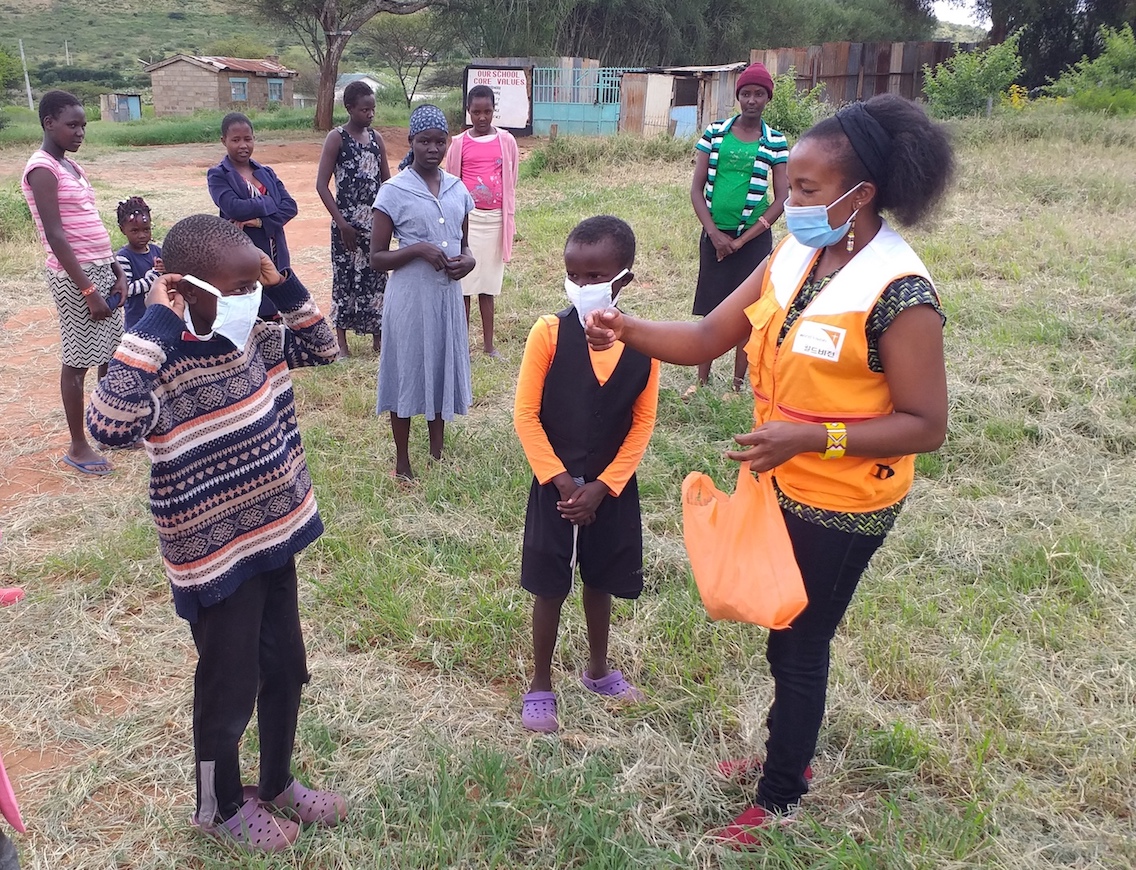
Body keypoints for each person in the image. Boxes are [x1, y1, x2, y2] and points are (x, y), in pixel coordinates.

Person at [586, 93, 953, 843]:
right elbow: (706, 335)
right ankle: (786, 751)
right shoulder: (794, 254)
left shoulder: (901, 292)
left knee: (800, 641)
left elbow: (927, 424)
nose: (790, 203)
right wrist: (628, 328)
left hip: (848, 500)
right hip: (781, 479)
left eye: (808, 192)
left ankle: (781, 794)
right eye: (792, 189)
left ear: (863, 195)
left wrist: (814, 438)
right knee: (782, 628)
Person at [86, 215, 344, 853]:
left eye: (252, 283)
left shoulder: (257, 336)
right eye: (235, 288)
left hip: (273, 534)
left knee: (285, 669)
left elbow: (325, 346)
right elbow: (110, 424)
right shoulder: (160, 362)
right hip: (212, 556)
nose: (248, 298)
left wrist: (278, 282)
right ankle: (217, 804)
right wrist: (155, 322)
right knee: (227, 688)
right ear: (183, 289)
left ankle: (278, 782)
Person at [514, 216, 660, 733]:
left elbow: (643, 422)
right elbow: (526, 415)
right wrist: (561, 480)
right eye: (572, 274)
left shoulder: (645, 343)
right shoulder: (549, 333)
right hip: (555, 488)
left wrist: (604, 486)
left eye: (595, 276)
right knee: (550, 584)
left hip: (609, 489)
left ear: (624, 279)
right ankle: (540, 683)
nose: (581, 286)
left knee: (600, 579)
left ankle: (598, 670)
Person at [20, 90, 128, 477]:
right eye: (72, 125)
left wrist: (116, 270)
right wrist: (88, 289)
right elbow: (56, 235)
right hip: (74, 277)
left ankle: (107, 428)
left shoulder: (71, 167)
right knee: (78, 360)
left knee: (111, 353)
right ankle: (78, 446)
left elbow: (92, 224)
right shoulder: (42, 169)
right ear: (49, 123)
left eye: (83, 125)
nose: (81, 132)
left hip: (100, 269)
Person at [371, 105, 475, 481]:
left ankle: (437, 450)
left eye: (439, 141)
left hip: (446, 296)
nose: (432, 148)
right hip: (410, 299)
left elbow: (466, 244)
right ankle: (403, 460)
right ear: (410, 143)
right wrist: (416, 250)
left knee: (439, 365)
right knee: (407, 370)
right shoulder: (393, 191)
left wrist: (469, 261)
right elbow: (377, 258)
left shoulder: (456, 188)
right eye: (423, 141)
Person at [690, 62, 788, 394]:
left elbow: (782, 198)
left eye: (759, 94)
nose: (751, 100)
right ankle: (702, 381)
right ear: (738, 97)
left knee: (748, 312)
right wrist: (715, 235)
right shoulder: (715, 133)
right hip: (713, 237)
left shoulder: (775, 141)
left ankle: (736, 384)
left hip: (754, 243)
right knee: (712, 308)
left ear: (767, 98)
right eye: (745, 93)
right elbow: (696, 190)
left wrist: (743, 240)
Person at [315, 81, 391, 358]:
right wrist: (342, 223)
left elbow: (386, 182)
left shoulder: (376, 140)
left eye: (372, 109)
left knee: (375, 278)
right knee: (345, 278)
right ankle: (342, 344)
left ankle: (378, 338)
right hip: (345, 226)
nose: (370, 114)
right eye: (364, 109)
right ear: (349, 108)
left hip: (375, 225)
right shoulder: (337, 138)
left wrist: (388, 219)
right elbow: (322, 185)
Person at [444, 84, 519, 359]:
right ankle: (461, 346)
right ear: (468, 112)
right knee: (465, 286)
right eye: (476, 112)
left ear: (494, 110)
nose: (482, 117)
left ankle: (489, 346)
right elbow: (451, 182)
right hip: (468, 222)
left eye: (487, 111)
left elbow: (512, 177)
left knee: (488, 286)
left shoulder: (507, 141)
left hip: (496, 221)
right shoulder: (459, 143)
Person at [207, 112, 298, 319]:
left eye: (247, 139)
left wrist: (259, 221)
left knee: (280, 306)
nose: (243, 145)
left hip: (276, 250)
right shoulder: (218, 175)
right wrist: (268, 202)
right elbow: (233, 208)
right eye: (236, 140)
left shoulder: (266, 173)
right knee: (251, 310)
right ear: (224, 141)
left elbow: (290, 207)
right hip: (241, 253)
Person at [115, 196, 163, 330]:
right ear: (122, 229)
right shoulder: (123, 257)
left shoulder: (157, 251)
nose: (142, 235)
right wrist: (154, 277)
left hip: (160, 317)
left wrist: (167, 269)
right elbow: (127, 289)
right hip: (138, 321)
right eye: (135, 231)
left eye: (146, 229)